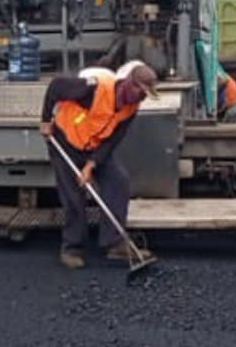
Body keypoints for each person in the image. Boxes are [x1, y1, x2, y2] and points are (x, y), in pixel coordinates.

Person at [40, 61, 158, 269]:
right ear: (129, 84)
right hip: (66, 140)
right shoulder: (93, 88)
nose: (142, 98)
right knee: (73, 195)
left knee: (118, 181)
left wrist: (92, 165)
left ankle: (115, 242)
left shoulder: (131, 108)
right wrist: (45, 119)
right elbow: (56, 87)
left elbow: (112, 140)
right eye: (141, 92)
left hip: (93, 148)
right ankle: (72, 248)